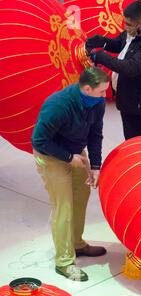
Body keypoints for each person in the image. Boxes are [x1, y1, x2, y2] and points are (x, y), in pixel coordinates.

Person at [32, 67, 110, 281]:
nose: (105, 95)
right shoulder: (58, 105)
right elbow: (39, 140)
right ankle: (64, 261)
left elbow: (96, 134)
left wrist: (95, 166)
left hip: (76, 152)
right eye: (102, 91)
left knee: (81, 197)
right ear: (87, 88)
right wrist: (68, 158)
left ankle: (76, 243)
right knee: (63, 206)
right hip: (51, 156)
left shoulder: (97, 103)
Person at [85, 0, 141, 140]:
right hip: (128, 100)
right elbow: (120, 44)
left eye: (128, 24)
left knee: (140, 144)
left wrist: (101, 57)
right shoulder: (135, 30)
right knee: (129, 138)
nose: (125, 27)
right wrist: (102, 41)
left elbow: (130, 68)